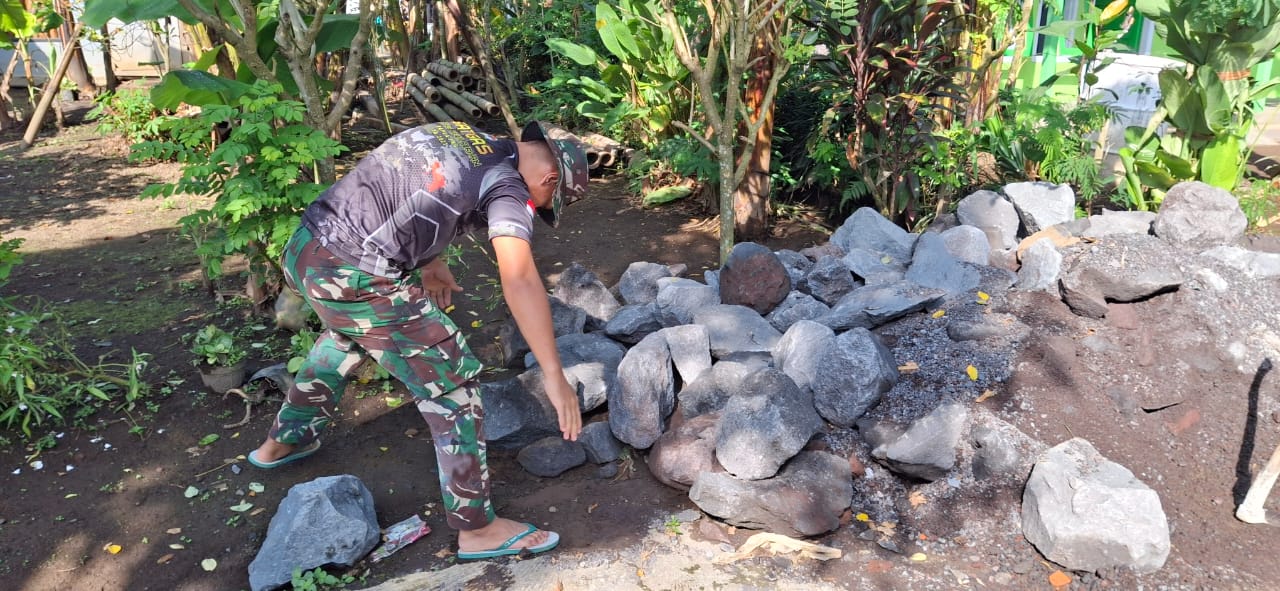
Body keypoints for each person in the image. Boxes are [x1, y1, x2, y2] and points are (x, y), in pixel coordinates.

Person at [247, 120, 588, 559]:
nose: (537, 209)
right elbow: (519, 278)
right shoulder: (508, 187)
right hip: (353, 272)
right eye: (545, 204)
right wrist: (554, 374)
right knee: (454, 383)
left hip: (308, 248)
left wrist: (432, 262)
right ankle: (478, 529)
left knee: (350, 335)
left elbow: (423, 187)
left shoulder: (462, 134)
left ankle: (284, 441)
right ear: (550, 179)